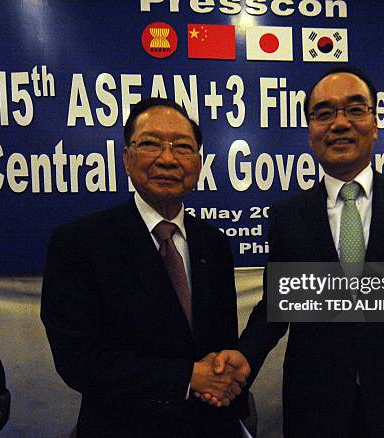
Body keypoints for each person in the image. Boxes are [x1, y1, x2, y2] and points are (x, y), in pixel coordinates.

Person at [211, 67, 384, 437]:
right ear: (311, 131)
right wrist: (244, 356)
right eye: (324, 113)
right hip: (317, 408)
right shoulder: (289, 216)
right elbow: (276, 306)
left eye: (355, 109)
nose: (340, 123)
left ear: (375, 123)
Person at [41, 97, 247, 437]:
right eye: (150, 144)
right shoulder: (78, 243)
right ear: (126, 158)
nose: (167, 159)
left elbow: (220, 342)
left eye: (183, 147)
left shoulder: (214, 243)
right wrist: (186, 377)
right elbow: (77, 359)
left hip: (210, 426)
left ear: (198, 162)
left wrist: (224, 378)